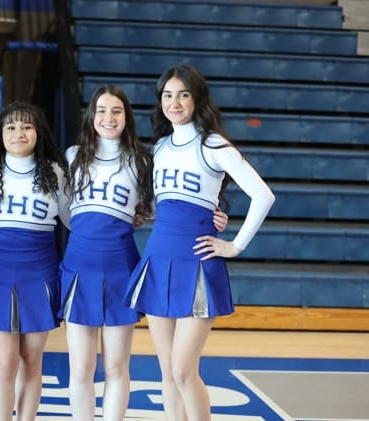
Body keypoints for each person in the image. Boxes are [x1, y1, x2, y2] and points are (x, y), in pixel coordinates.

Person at [60, 84, 229, 420]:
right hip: (79, 265)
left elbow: (159, 207)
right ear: (91, 115)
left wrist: (212, 214)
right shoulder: (72, 156)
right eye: (101, 110)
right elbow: (65, 210)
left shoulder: (142, 160)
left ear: (127, 117)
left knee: (116, 367)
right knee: (80, 369)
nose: (108, 118)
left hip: (121, 266)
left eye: (117, 111)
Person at [124, 65, 274, 421]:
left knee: (182, 370)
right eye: (167, 95)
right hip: (158, 259)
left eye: (183, 94)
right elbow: (168, 204)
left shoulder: (213, 143)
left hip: (196, 263)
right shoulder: (161, 146)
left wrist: (234, 245)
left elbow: (263, 195)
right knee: (166, 372)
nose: (174, 102)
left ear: (197, 99)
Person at [0, 101, 70, 421]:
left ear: (39, 133)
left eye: (27, 126)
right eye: (11, 126)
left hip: (40, 272)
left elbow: (72, 219)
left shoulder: (55, 172)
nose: (19, 133)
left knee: (31, 361)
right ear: (0, 133)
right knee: (3, 364)